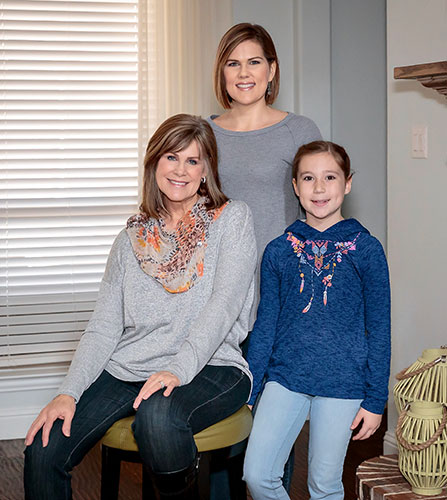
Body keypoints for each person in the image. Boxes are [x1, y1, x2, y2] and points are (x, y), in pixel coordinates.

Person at [23, 114, 257, 500]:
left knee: (158, 418)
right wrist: (68, 392)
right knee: (44, 446)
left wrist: (177, 370)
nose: (180, 170)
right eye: (171, 157)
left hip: (212, 365)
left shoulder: (232, 220)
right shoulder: (130, 237)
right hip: (130, 367)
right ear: (154, 164)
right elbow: (103, 327)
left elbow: (223, 307)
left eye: (192, 160)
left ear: (206, 171)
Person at [207, 22, 322, 493]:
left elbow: (319, 211)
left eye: (254, 61)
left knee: (273, 419)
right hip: (218, 297)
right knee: (218, 411)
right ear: (222, 72)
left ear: (272, 69)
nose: (244, 72)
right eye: (233, 62)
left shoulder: (299, 130)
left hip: (282, 297)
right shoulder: (204, 131)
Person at [243, 140, 391, 500]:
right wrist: (250, 388)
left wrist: (375, 401)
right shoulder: (278, 250)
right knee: (257, 475)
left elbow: (380, 328)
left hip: (343, 383)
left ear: (348, 183)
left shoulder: (366, 249)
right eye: (308, 178)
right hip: (285, 377)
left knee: (323, 486)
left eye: (330, 177)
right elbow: (266, 324)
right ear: (295, 186)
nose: (320, 188)